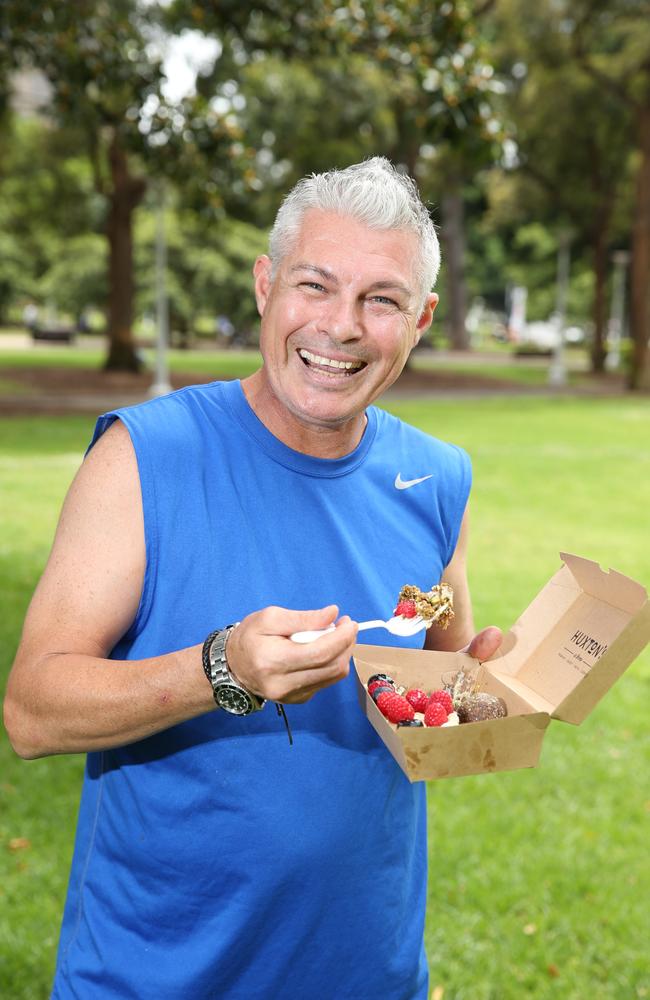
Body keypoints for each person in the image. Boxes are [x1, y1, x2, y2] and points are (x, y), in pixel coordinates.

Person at [4, 157, 501, 1000]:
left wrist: (486, 691)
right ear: (267, 285)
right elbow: (31, 712)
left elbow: (444, 706)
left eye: (380, 300)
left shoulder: (437, 478)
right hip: (156, 978)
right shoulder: (145, 456)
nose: (341, 326)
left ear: (420, 320)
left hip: (368, 978)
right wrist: (221, 670)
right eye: (316, 285)